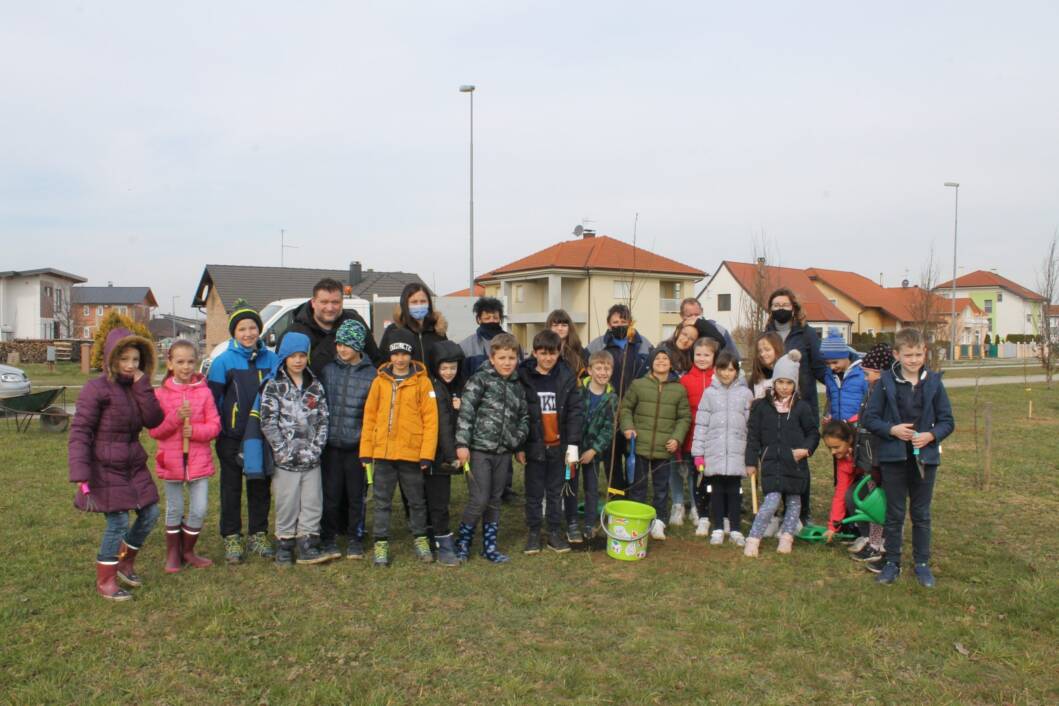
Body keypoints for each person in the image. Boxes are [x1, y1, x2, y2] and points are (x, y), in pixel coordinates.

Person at [68, 327, 165, 601]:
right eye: (124, 359)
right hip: (103, 466)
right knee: (119, 521)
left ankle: (125, 562)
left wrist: (143, 386)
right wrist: (80, 470)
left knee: (151, 513)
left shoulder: (137, 386)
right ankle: (106, 580)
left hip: (133, 465)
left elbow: (154, 419)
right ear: (112, 358)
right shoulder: (95, 388)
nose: (130, 365)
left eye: (135, 360)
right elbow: (80, 430)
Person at [862, 329, 954, 588]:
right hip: (893, 458)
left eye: (918, 354)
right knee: (894, 513)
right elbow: (870, 418)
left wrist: (931, 435)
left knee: (921, 513)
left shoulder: (934, 383)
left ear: (925, 352)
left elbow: (948, 421)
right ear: (896, 354)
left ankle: (922, 564)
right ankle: (892, 562)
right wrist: (892, 429)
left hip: (925, 459)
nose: (913, 360)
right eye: (908, 355)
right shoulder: (884, 383)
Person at [206, 308, 280, 563]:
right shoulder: (223, 362)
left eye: (252, 328)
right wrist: (218, 430)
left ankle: (258, 533)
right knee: (231, 487)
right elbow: (212, 401)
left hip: (260, 437)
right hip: (231, 436)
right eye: (242, 329)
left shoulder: (272, 360)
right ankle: (231, 536)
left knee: (259, 486)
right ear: (234, 333)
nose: (248, 333)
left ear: (259, 330)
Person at [359, 329, 438, 567]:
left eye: (405, 353)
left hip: (412, 454)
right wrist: (366, 450)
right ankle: (381, 542)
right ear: (389, 357)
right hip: (382, 454)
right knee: (382, 500)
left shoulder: (423, 383)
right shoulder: (379, 382)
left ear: (411, 355)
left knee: (416, 500)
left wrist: (426, 454)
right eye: (396, 354)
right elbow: (370, 417)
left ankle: (421, 538)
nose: (400, 359)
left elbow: (431, 421)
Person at [254, 332, 331, 566]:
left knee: (312, 501)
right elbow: (268, 421)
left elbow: (323, 420)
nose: (298, 361)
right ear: (283, 357)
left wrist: (315, 449)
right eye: (292, 356)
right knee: (287, 502)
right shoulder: (273, 385)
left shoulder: (315, 386)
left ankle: (307, 543)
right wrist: (282, 450)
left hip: (311, 459)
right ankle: (285, 544)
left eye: (302, 356)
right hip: (285, 460)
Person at [454, 333, 530, 564]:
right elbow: (466, 412)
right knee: (479, 498)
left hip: (503, 452)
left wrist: (516, 441)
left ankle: (489, 546)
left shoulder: (518, 385)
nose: (507, 362)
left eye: (511, 358)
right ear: (492, 357)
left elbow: (524, 417)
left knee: (495, 499)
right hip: (478, 450)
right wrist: (462, 444)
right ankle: (463, 542)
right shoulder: (480, 380)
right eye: (502, 357)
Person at [149, 339, 221, 573]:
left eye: (191, 361)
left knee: (199, 509)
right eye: (180, 362)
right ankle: (172, 553)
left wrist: (196, 432)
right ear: (170, 363)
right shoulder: (160, 395)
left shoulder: (204, 393)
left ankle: (188, 550)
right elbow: (155, 430)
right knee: (175, 508)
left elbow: (215, 426)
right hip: (172, 462)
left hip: (198, 461)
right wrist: (176, 419)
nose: (186, 366)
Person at [743, 350, 819, 557]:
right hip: (771, 463)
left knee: (794, 502)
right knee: (771, 501)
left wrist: (806, 449)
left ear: (795, 384)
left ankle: (786, 537)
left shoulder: (802, 408)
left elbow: (813, 433)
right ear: (774, 382)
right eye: (780, 382)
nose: (784, 387)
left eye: (789, 383)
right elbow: (753, 437)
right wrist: (751, 462)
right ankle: (753, 538)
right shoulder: (761, 407)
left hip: (795, 461)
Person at [517, 330, 584, 554]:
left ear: (559, 353)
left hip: (560, 446)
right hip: (535, 446)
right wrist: (521, 446)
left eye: (552, 353)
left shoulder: (566, 376)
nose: (547, 358)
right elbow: (519, 413)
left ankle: (554, 531)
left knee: (556, 491)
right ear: (535, 353)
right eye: (543, 353)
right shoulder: (524, 377)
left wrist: (572, 445)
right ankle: (534, 532)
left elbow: (575, 411)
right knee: (534, 492)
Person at [764, 288, 826, 525]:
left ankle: (803, 511)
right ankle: (780, 509)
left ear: (793, 307)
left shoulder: (806, 333)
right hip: (774, 403)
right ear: (770, 309)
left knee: (799, 458)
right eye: (776, 305)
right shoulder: (767, 334)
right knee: (777, 457)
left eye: (785, 305)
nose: (780, 309)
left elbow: (819, 366)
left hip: (802, 403)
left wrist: (836, 383)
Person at [619, 347, 692, 541]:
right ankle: (638, 520)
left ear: (671, 363)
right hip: (639, 446)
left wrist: (677, 438)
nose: (661, 361)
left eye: (665, 358)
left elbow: (684, 417)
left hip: (664, 449)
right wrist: (627, 427)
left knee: (661, 488)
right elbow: (625, 409)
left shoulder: (678, 388)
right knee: (638, 487)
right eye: (657, 358)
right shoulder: (638, 385)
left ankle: (659, 522)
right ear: (651, 362)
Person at [318, 319, 376, 560]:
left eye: (347, 345)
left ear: (359, 346)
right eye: (339, 344)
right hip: (331, 445)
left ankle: (355, 538)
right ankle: (329, 537)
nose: (342, 349)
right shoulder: (328, 371)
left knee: (356, 496)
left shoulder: (372, 375)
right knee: (330, 495)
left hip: (357, 447)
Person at [459, 296, 520, 503]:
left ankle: (506, 488)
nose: (491, 320)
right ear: (478, 319)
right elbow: (463, 376)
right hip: (481, 406)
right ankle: (480, 489)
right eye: (487, 317)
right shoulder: (467, 345)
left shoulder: (511, 342)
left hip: (507, 405)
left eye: (495, 317)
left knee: (505, 450)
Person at [691, 350, 753, 545]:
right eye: (722, 369)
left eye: (730, 369)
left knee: (735, 491)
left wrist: (752, 454)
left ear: (737, 371)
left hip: (737, 452)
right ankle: (717, 527)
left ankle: (734, 528)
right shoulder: (709, 393)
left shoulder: (745, 394)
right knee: (715, 491)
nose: (726, 373)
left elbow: (752, 426)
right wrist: (698, 454)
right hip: (714, 452)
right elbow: (701, 424)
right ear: (716, 370)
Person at [848, 342, 894, 569]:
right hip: (869, 458)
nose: (865, 377)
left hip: (879, 459)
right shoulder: (872, 390)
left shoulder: (884, 393)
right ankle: (875, 543)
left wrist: (875, 462)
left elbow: (879, 428)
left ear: (880, 372)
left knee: (882, 505)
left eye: (868, 373)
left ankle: (884, 546)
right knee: (873, 503)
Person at [285, 277, 380, 375]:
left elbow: (375, 360)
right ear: (313, 302)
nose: (330, 308)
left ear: (342, 302)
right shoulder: (295, 332)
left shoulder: (355, 324)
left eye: (335, 302)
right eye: (324, 302)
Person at [426, 340, 467, 566]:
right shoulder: (432, 388)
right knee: (436, 501)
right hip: (433, 454)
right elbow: (442, 425)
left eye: (453, 367)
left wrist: (460, 408)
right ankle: (441, 540)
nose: (449, 372)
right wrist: (452, 456)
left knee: (439, 499)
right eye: (444, 368)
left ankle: (437, 536)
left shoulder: (457, 388)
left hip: (442, 455)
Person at [570, 350, 616, 541]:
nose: (603, 372)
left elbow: (609, 428)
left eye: (607, 369)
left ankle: (589, 524)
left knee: (592, 488)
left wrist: (594, 449)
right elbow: (570, 418)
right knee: (569, 484)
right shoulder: (579, 392)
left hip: (593, 454)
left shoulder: (612, 398)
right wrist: (571, 445)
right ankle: (571, 521)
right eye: (598, 368)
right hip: (572, 451)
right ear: (589, 370)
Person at [673, 336, 718, 529]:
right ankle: (678, 505)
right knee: (684, 470)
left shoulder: (717, 379)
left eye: (706, 355)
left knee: (701, 474)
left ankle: (697, 506)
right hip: (688, 434)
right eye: (698, 354)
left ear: (714, 356)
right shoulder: (684, 380)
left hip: (711, 437)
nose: (702, 358)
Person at [379, 283, 448, 374]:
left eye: (423, 301)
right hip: (405, 386)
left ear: (429, 304)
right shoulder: (394, 331)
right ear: (405, 305)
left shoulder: (438, 330)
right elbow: (383, 362)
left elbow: (446, 360)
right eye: (414, 302)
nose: (419, 305)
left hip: (433, 386)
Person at [585, 304, 652, 396]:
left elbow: (653, 371)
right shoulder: (598, 345)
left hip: (637, 400)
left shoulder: (644, 344)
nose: (619, 325)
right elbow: (584, 371)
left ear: (630, 323)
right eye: (615, 322)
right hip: (607, 400)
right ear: (609, 324)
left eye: (623, 322)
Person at [820, 328, 867, 423]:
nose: (832, 367)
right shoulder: (829, 375)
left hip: (857, 426)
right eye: (828, 363)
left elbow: (870, 402)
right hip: (838, 427)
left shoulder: (862, 373)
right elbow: (830, 399)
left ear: (845, 356)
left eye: (835, 362)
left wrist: (859, 419)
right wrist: (828, 414)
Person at [546, 308, 587, 380]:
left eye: (564, 325)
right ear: (549, 328)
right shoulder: (542, 349)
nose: (560, 328)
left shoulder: (579, 351)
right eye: (555, 325)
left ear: (569, 328)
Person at [748, 331, 785, 400]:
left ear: (777, 349)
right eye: (760, 351)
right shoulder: (756, 376)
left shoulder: (786, 375)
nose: (762, 354)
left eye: (767, 350)